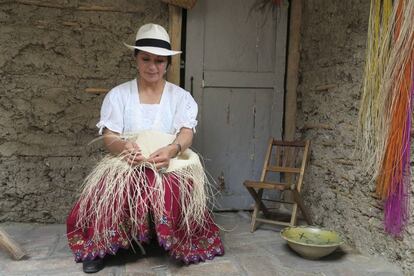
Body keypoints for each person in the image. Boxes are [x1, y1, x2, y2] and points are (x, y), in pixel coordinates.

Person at [66, 23, 224, 273]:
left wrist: (172, 149)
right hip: (130, 160)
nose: (153, 67)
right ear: (136, 59)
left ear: (168, 64)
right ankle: (101, 247)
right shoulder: (119, 95)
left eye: (160, 61)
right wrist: (124, 147)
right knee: (112, 187)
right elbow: (110, 136)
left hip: (168, 160)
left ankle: (171, 239)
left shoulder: (180, 97)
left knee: (171, 184)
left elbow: (186, 133)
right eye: (146, 59)